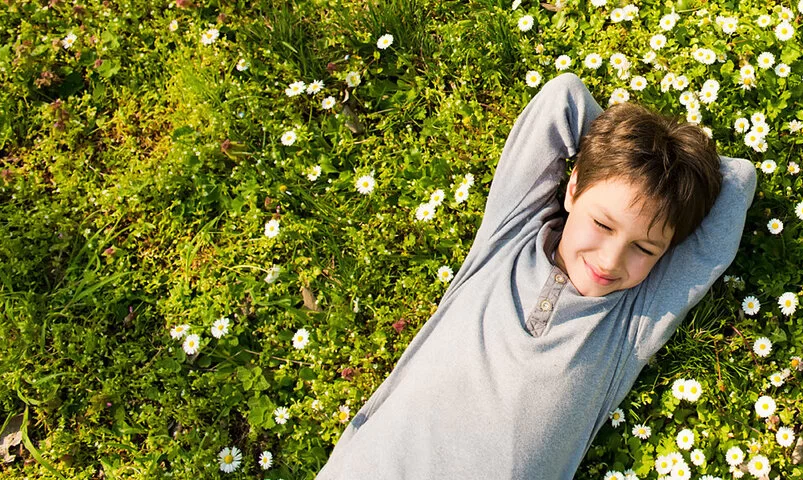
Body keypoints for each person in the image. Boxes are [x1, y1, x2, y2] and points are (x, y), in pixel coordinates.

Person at [316, 73, 757, 478]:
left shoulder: (634, 319)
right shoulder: (507, 239)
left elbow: (738, 181)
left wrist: (674, 170)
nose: (609, 261)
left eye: (644, 248)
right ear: (572, 187)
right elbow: (562, 97)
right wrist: (627, 157)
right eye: (602, 224)